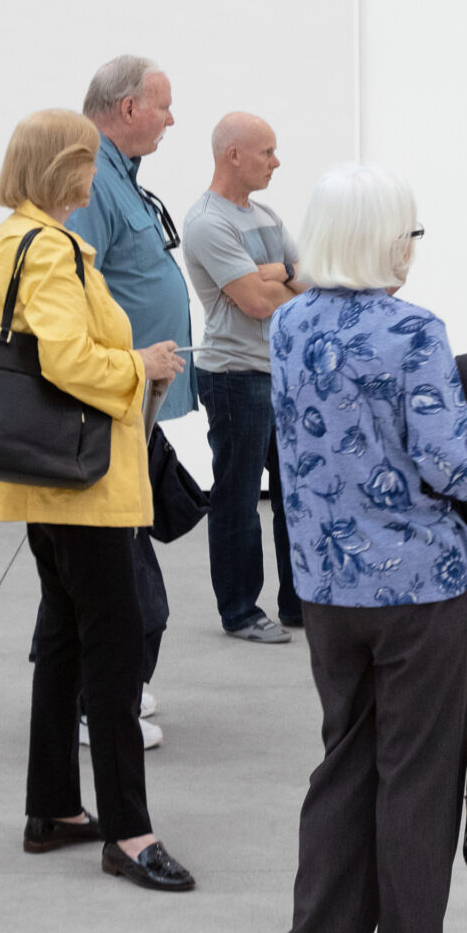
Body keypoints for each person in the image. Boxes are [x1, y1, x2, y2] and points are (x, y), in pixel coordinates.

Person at [0, 108, 195, 891]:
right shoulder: (53, 247)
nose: (95, 172)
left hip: (47, 480)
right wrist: (140, 362)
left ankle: (54, 807)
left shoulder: (17, 236)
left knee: (65, 636)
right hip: (85, 484)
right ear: (64, 165)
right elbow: (66, 357)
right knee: (115, 645)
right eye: (87, 159)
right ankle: (130, 834)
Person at [272, 163, 467, 933]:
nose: (412, 247)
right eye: (409, 231)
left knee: (344, 766)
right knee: (417, 777)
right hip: (419, 587)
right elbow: (448, 465)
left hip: (327, 586)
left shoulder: (287, 325)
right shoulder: (415, 330)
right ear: (380, 238)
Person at [59, 53, 189, 747]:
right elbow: (77, 299)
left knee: (128, 556)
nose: (172, 118)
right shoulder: (88, 179)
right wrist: (131, 367)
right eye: (164, 105)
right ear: (131, 108)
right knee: (121, 571)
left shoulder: (118, 176)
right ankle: (99, 698)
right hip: (113, 405)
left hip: (135, 402)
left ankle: (115, 684)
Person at [180, 112, 307, 643]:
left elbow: (313, 280)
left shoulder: (265, 215)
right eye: (267, 152)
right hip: (235, 377)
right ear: (234, 155)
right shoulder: (209, 222)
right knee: (237, 498)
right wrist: (281, 280)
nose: (276, 162)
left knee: (293, 494)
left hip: (279, 375)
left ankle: (299, 604)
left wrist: (277, 274)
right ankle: (240, 610)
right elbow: (257, 303)